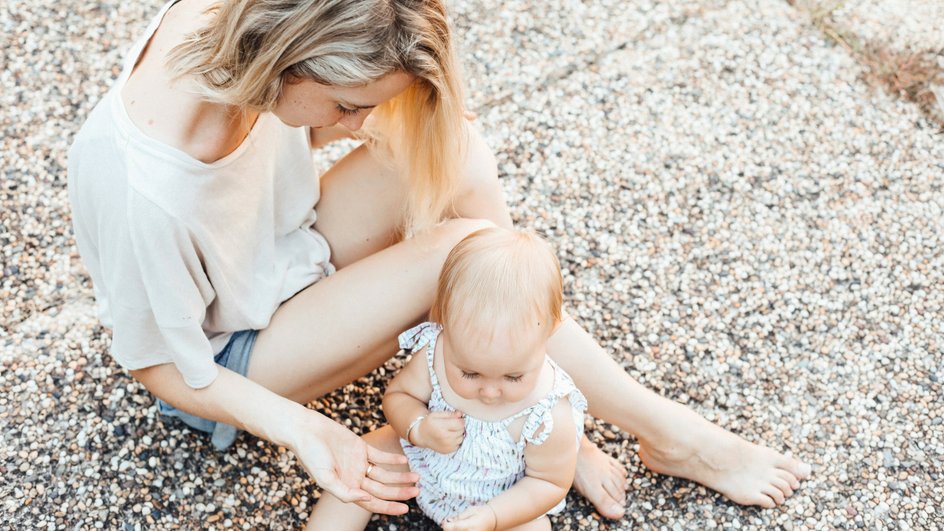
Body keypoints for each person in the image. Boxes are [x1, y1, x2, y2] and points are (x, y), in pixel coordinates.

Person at [67, 0, 811, 520]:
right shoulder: (142, 186)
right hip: (230, 354)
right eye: (346, 105)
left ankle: (532, 397)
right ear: (283, 65)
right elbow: (159, 368)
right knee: (458, 252)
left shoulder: (243, 23)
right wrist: (306, 429)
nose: (359, 125)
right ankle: (644, 427)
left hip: (281, 249)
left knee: (453, 143)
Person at [308, 228, 587, 530]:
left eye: (513, 376)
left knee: (534, 527)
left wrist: (493, 516)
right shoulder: (435, 352)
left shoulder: (548, 414)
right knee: (363, 459)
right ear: (443, 324)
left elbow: (548, 483)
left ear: (551, 331)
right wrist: (417, 426)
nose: (490, 392)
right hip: (423, 461)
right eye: (470, 373)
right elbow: (399, 396)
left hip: (501, 500)